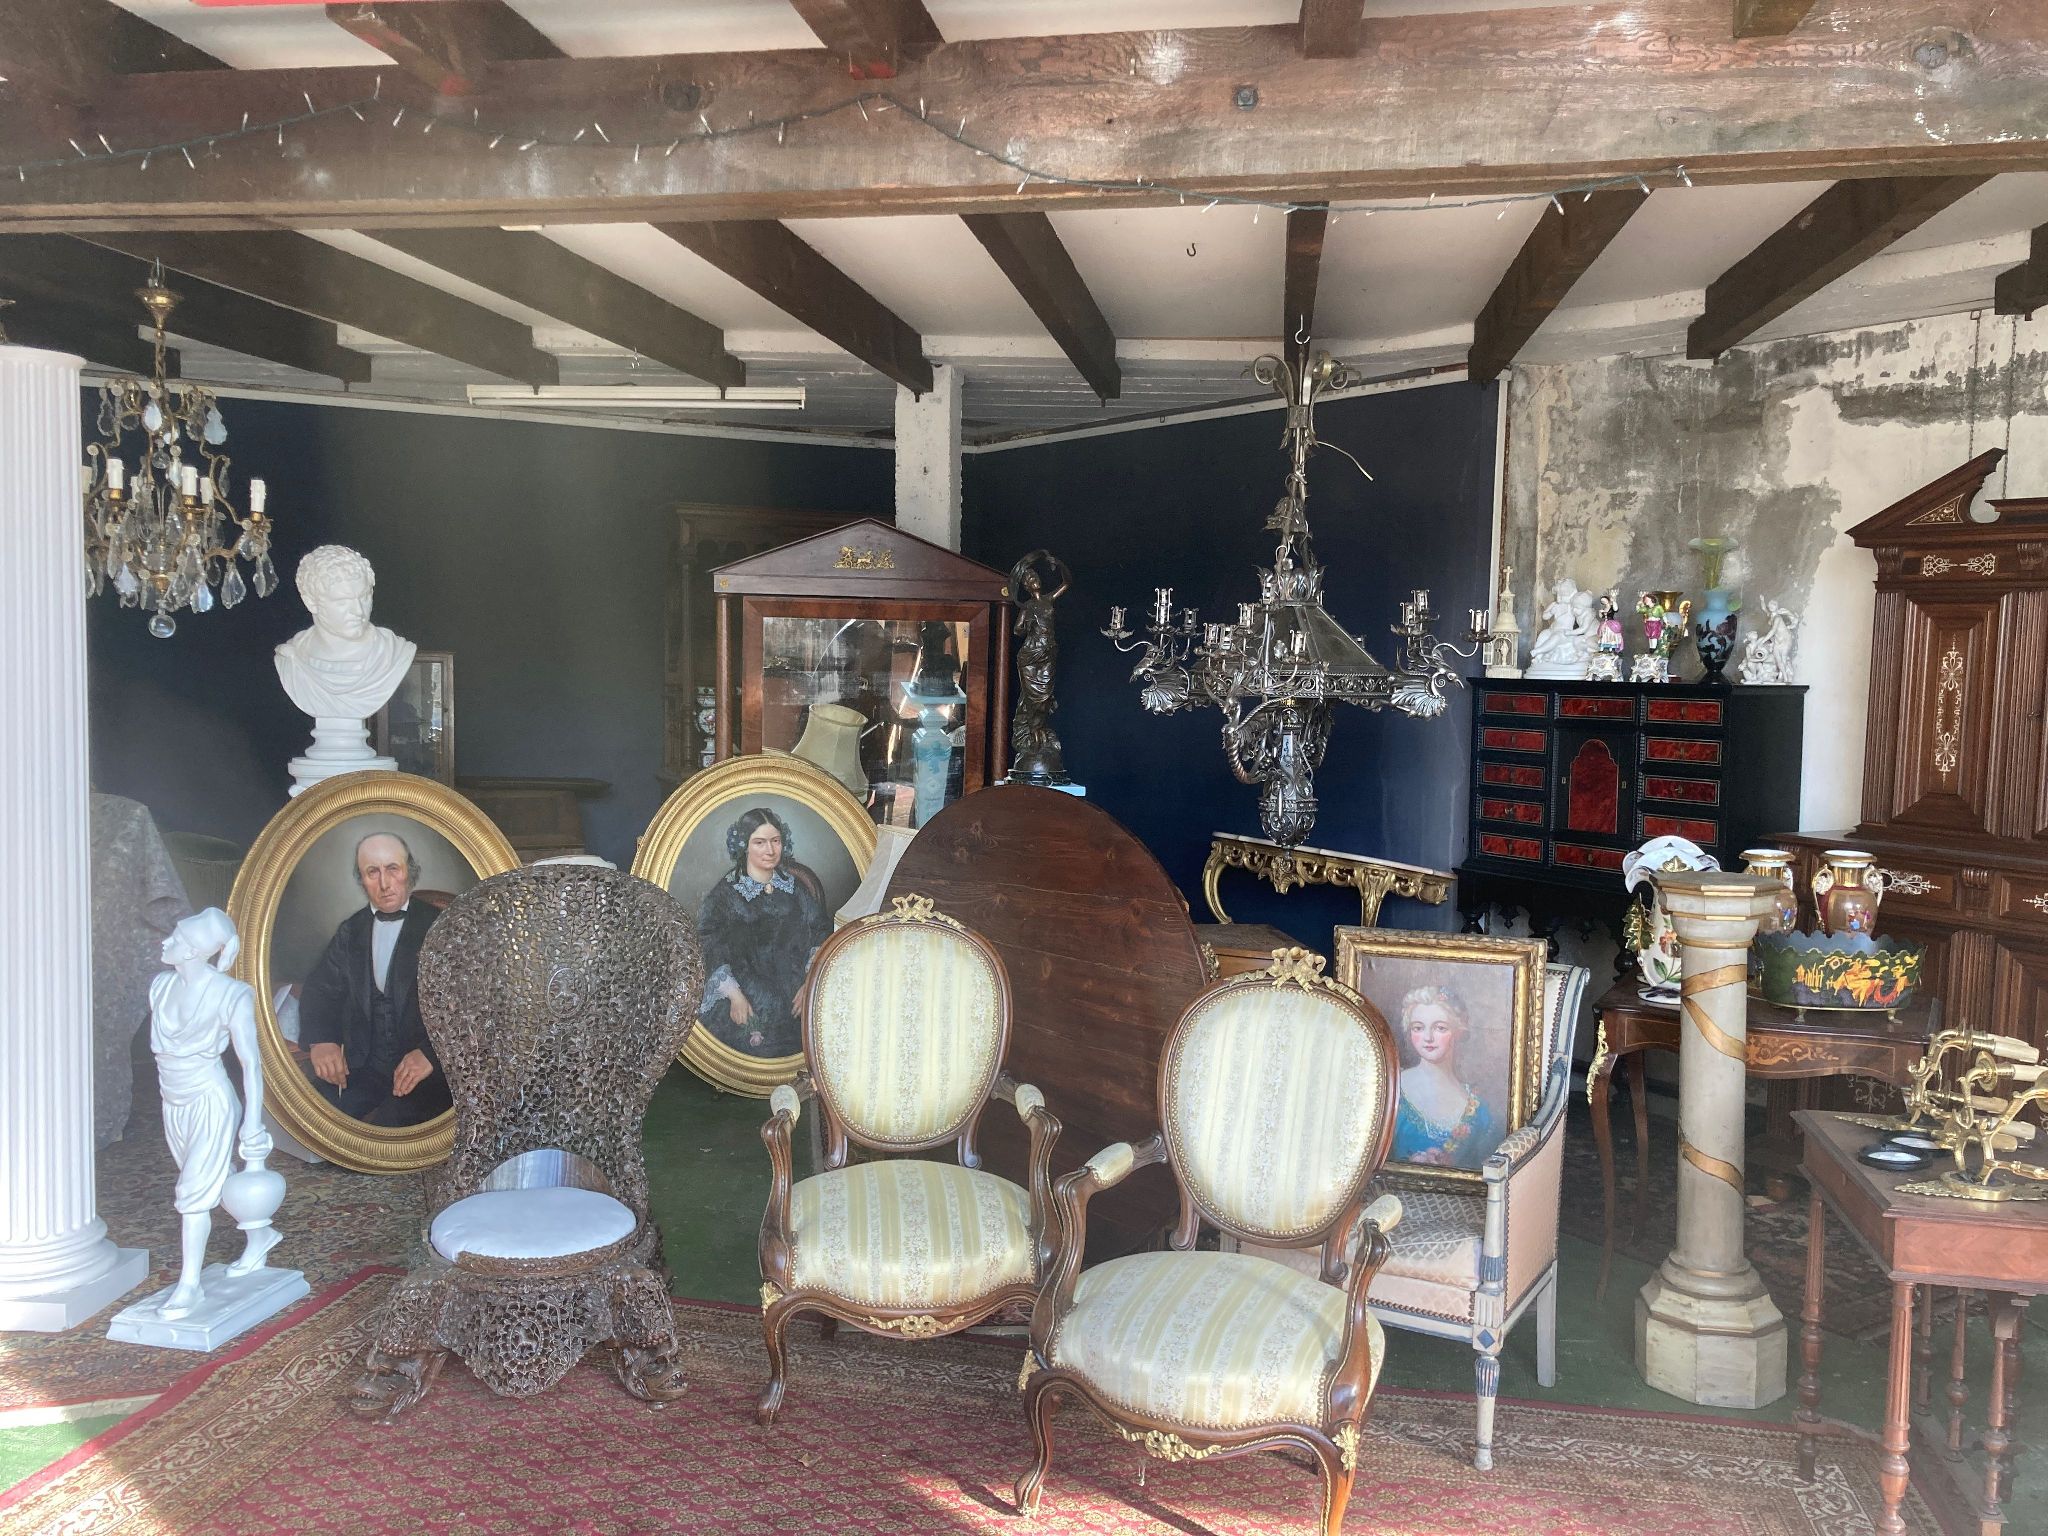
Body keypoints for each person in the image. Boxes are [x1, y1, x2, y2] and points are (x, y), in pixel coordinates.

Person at [149, 908, 277, 1318]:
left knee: (192, 1195)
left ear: (192, 950)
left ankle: (189, 1286)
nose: (165, 941)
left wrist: (252, 1121)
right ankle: (260, 1237)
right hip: (173, 1101)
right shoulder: (160, 987)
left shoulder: (231, 994)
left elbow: (250, 1064)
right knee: (215, 1180)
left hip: (210, 1101)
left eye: (174, 937)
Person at [298, 831, 448, 1125]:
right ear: (362, 880)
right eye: (372, 872)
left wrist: (431, 1054)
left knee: (391, 1130)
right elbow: (321, 990)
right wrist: (321, 1040)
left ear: (409, 872)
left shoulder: (441, 927)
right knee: (315, 1117)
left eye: (393, 869)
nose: (384, 883)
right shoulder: (351, 931)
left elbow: (472, 1007)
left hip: (427, 1074)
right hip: (362, 1067)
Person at [696, 808, 830, 1058]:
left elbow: (821, 931)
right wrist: (734, 995)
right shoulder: (726, 893)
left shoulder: (795, 888)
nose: (770, 850)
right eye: (759, 842)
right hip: (746, 998)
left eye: (775, 841)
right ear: (744, 846)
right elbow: (707, 943)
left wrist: (812, 983)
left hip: (799, 997)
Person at [274, 544, 415, 721]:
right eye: (342, 601)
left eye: (364, 597)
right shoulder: (292, 658)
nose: (358, 611)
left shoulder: (393, 652)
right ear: (311, 602)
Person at [1391, 983, 1499, 1169]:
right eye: (1418, 1028)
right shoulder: (1391, 1088)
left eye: (1440, 1028)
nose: (1428, 1037)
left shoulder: (1478, 1109)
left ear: (1458, 1031)